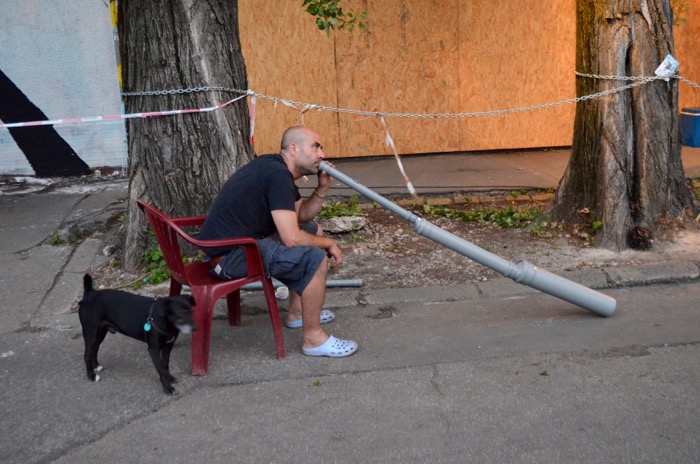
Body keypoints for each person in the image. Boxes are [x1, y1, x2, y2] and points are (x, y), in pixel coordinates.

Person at [199, 126, 358, 358]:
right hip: (226, 257)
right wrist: (327, 243)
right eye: (315, 147)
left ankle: (297, 313)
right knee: (314, 258)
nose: (322, 154)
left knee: (312, 230)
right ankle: (313, 339)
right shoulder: (278, 175)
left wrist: (322, 188)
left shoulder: (276, 168)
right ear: (294, 149)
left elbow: (301, 217)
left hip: (237, 246)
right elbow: (291, 238)